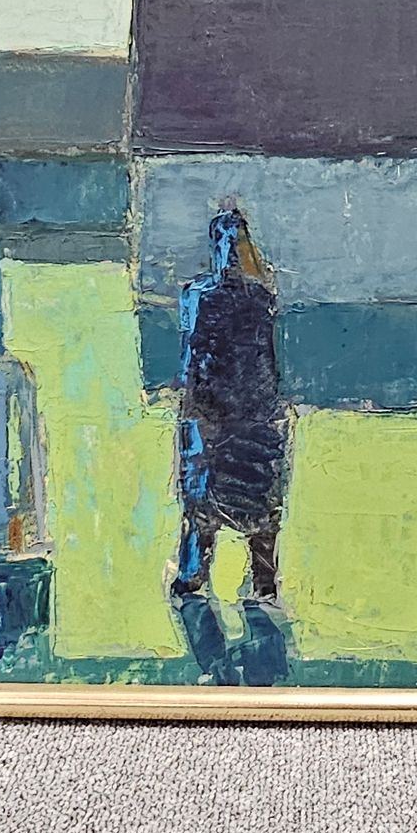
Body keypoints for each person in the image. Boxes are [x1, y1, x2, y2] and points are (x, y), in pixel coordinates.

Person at [171, 209, 289, 608]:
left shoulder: (207, 296)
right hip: (234, 415)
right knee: (226, 504)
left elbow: (193, 357)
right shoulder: (258, 297)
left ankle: (210, 578)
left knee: (217, 503)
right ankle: (253, 582)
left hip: (228, 416)